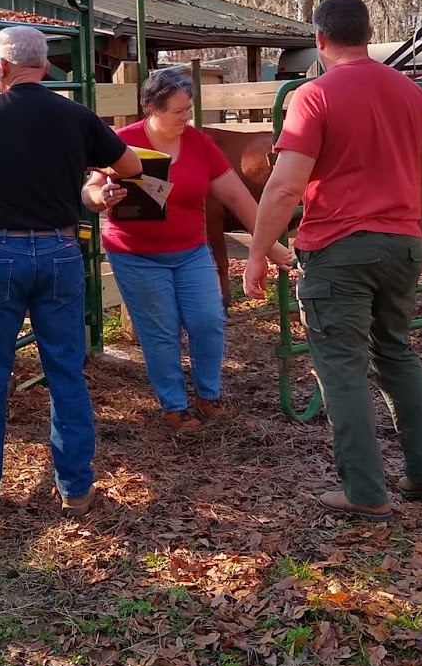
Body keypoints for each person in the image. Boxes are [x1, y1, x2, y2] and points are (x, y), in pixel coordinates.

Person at [243, 0, 422, 522]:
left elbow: (286, 185)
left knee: (341, 367)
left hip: (338, 248)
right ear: (367, 34)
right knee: (397, 353)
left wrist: (256, 253)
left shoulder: (313, 96)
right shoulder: (412, 94)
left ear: (320, 41)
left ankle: (365, 490)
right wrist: (416, 235)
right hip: (403, 242)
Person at [0, 26, 143, 518]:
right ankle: (76, 488)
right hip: (59, 250)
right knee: (65, 371)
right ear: (46, 65)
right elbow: (134, 165)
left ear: (1, 68)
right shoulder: (76, 116)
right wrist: (96, 175)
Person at [89, 68, 292, 432]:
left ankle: (208, 396)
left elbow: (236, 195)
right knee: (161, 331)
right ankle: (174, 407)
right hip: (136, 255)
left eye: (189, 108)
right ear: (152, 108)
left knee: (208, 321)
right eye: (178, 110)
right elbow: (90, 191)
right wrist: (102, 197)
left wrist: (269, 244)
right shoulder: (123, 142)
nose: (187, 117)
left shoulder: (199, 144)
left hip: (190, 251)